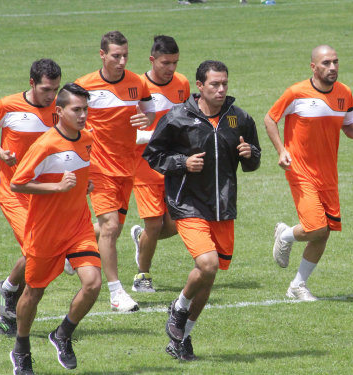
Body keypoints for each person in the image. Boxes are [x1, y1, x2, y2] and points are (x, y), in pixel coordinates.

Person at [143, 60, 261, 361]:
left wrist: (250, 155)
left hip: (223, 207)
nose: (221, 90)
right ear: (199, 86)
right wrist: (183, 163)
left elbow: (252, 161)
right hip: (188, 204)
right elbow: (153, 155)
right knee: (207, 265)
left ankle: (182, 339)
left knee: (209, 276)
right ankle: (179, 307)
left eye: (224, 84)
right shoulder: (178, 117)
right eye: (214, 84)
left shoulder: (239, 118)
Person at [264, 45, 353, 301]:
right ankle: (287, 234)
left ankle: (297, 286)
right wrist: (281, 151)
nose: (332, 67)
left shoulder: (344, 93)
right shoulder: (296, 92)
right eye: (326, 63)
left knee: (325, 231)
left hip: (328, 174)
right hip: (300, 169)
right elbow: (270, 119)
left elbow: (348, 125)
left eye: (335, 62)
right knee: (315, 227)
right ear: (313, 67)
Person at [9, 83, 102, 375]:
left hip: (79, 228)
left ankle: (62, 334)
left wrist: (83, 185)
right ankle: (21, 348)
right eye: (77, 109)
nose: (83, 115)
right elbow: (17, 183)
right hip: (45, 234)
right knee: (33, 294)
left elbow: (79, 170)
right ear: (59, 111)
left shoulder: (87, 138)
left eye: (86, 109)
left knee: (92, 283)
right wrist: (57, 187)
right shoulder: (45, 145)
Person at [75, 31, 155, 312]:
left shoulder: (137, 83)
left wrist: (145, 119)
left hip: (127, 167)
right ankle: (116, 293)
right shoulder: (84, 86)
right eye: (115, 56)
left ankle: (71, 247)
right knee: (109, 228)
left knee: (116, 227)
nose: (121, 61)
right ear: (102, 55)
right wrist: (83, 131)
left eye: (125, 56)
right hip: (97, 167)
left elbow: (150, 111)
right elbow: (66, 120)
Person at [0, 59, 61, 336]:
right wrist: (1, 153)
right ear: (32, 84)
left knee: (39, 251)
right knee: (36, 250)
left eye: (55, 89)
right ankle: (8, 299)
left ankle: (6, 287)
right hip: (13, 192)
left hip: (44, 194)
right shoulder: (8, 105)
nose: (51, 95)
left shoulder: (60, 109)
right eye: (46, 89)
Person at [129, 35, 190, 293]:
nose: (171, 68)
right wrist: (155, 136)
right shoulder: (136, 86)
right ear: (152, 59)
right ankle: (142, 276)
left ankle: (142, 240)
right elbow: (127, 131)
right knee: (154, 224)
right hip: (144, 167)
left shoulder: (182, 83)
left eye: (175, 62)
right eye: (166, 62)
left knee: (179, 223)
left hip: (174, 166)